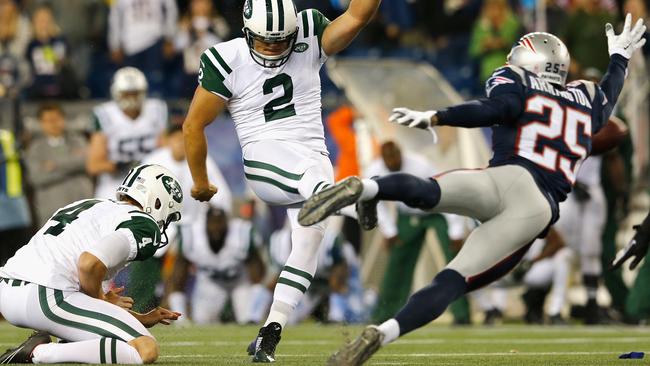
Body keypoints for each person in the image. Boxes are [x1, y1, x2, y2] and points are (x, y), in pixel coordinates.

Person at [298, 14, 646, 365]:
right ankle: (382, 332)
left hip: (503, 178)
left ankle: (367, 188)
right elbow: (608, 95)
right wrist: (620, 57)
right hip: (535, 206)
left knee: (427, 191)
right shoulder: (585, 98)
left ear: (528, 61)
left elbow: (494, 108)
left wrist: (438, 116)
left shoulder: (516, 80)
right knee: (453, 281)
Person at [181, 0, 382, 362]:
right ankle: (352, 199)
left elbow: (357, 15)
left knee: (307, 246)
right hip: (265, 158)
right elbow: (193, 125)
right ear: (247, 32)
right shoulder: (227, 59)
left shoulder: (308, 30)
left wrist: (200, 183)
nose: (273, 48)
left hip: (314, 158)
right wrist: (200, 181)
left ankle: (271, 331)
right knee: (313, 184)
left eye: (281, 40)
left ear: (294, 31)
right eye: (265, 41)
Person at [0, 164, 182, 364]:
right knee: (146, 350)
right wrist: (101, 300)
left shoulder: (93, 205)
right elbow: (89, 263)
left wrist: (139, 317)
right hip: (46, 294)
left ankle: (59, 344)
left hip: (10, 289)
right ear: (158, 202)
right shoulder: (142, 224)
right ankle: (40, 352)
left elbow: (89, 294)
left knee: (93, 337)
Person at [366, 141, 470, 325]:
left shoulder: (420, 165)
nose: (392, 163)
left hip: (436, 212)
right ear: (382, 160)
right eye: (388, 161)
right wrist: (389, 231)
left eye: (395, 159)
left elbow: (444, 191)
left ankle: (462, 314)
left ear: (401, 154)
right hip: (407, 215)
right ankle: (386, 314)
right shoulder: (373, 171)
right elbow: (376, 203)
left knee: (454, 260)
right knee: (397, 262)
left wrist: (456, 231)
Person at [87, 66, 167, 200]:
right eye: (126, 93)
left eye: (135, 93)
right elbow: (94, 165)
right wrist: (120, 165)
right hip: (115, 185)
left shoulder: (156, 109)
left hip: (150, 183)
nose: (131, 98)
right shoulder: (105, 114)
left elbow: (166, 151)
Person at [25, 103, 92, 226]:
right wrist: (73, 165)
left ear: (63, 119)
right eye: (47, 120)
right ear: (41, 123)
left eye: (56, 119)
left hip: (82, 208)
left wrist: (55, 165)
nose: (53, 124)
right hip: (52, 212)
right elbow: (36, 178)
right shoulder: (35, 148)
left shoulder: (78, 140)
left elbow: (89, 162)